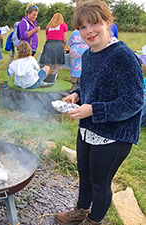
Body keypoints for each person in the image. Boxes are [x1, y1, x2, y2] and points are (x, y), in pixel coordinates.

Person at [54, 1, 144, 225]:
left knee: (99, 182)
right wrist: (76, 95)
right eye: (82, 27)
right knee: (84, 174)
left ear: (107, 22)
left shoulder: (122, 55)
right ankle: (80, 211)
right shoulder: (88, 55)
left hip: (115, 132)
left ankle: (93, 221)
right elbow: (90, 87)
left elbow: (134, 101)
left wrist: (93, 109)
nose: (88, 31)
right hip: (89, 128)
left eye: (94, 24)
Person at [39, 13, 68, 78]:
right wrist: (64, 45)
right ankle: (55, 77)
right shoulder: (63, 25)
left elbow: (47, 37)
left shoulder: (49, 26)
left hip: (49, 44)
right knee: (56, 63)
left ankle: (46, 77)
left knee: (47, 63)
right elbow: (65, 38)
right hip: (58, 44)